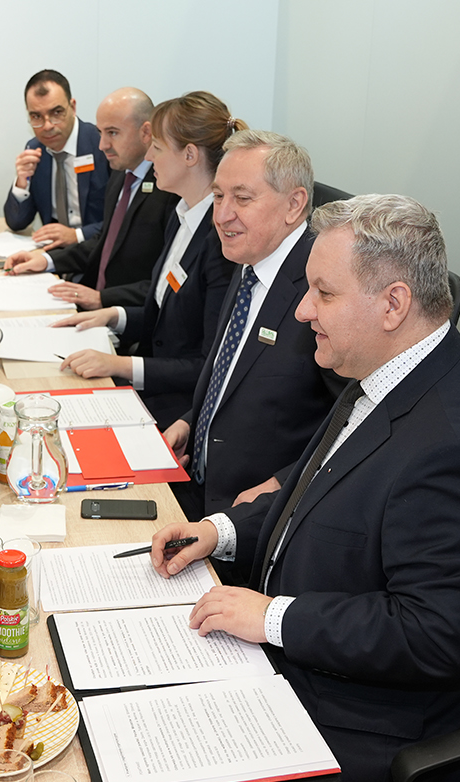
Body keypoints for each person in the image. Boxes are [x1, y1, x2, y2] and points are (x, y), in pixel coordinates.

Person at [151, 195, 460, 782]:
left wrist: (272, 617)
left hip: (397, 734)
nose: (302, 310)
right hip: (322, 657)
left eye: (323, 293)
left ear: (392, 305)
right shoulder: (386, 371)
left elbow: (435, 634)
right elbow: (317, 493)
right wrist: (222, 530)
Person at [162, 130, 343, 521]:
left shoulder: (324, 289)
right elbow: (233, 372)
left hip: (259, 515)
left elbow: (355, 418)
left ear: (294, 204)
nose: (222, 215)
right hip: (197, 488)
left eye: (242, 199)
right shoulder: (251, 258)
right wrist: (191, 422)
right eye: (218, 196)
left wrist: (283, 482)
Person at [53, 92, 241, 427]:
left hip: (180, 408)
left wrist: (119, 365)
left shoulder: (220, 241)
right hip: (152, 382)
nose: (149, 156)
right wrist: (113, 315)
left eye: (156, 146)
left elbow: (208, 365)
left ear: (189, 155)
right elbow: (165, 319)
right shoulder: (181, 217)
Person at [5, 87, 178, 312]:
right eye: (101, 132)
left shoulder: (168, 188)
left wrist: (101, 299)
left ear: (146, 132)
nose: (102, 145)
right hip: (93, 298)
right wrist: (46, 260)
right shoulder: (122, 174)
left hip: (127, 313)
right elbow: (105, 241)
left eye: (112, 133)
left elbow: (166, 284)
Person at [2, 70, 112, 247]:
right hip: (53, 253)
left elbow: (122, 218)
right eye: (36, 116)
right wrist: (22, 182)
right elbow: (17, 222)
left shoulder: (101, 145)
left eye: (56, 113)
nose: (47, 126)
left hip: (96, 250)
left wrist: (77, 235)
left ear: (72, 107)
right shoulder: (35, 149)